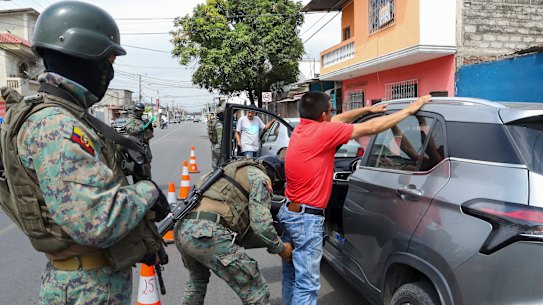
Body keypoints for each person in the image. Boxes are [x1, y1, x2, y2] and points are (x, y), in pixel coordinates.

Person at [0, 2, 170, 304]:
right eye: (109, 59)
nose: (111, 70)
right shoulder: (58, 124)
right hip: (87, 289)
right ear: (84, 54)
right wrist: (148, 193)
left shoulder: (67, 115)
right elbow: (95, 222)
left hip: (88, 282)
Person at [278, 92, 431, 305]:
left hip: (290, 213)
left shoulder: (302, 129)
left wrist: (367, 110)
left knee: (292, 276)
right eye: (331, 111)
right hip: (306, 220)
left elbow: (340, 119)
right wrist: (409, 110)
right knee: (307, 285)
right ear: (323, 115)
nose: (334, 115)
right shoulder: (323, 132)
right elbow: (372, 128)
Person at [174, 156, 293, 305]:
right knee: (255, 289)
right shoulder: (260, 177)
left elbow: (241, 233)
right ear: (275, 177)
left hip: (183, 230)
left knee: (197, 280)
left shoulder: (226, 172)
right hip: (207, 232)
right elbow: (261, 225)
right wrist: (281, 248)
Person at [125, 102, 154, 175]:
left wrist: (149, 126)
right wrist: (142, 127)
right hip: (135, 146)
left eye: (142, 111)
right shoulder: (131, 120)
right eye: (139, 111)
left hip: (145, 145)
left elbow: (149, 134)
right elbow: (130, 130)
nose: (141, 113)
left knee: (147, 163)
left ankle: (147, 178)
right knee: (137, 164)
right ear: (135, 110)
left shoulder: (142, 120)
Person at [207, 103, 225, 169]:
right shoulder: (219, 124)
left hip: (214, 146)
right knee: (221, 165)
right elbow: (220, 138)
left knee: (215, 165)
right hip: (218, 148)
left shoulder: (215, 123)